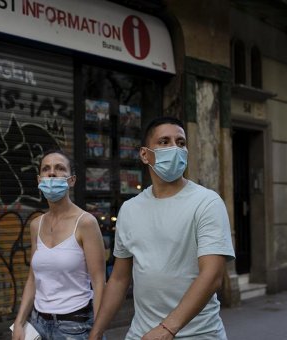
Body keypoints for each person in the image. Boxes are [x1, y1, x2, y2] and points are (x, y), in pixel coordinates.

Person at [88, 116, 235, 340]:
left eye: (181, 142)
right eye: (164, 142)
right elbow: (119, 279)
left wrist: (167, 328)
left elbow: (212, 274)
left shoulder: (207, 203)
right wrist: (96, 332)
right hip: (142, 334)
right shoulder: (130, 210)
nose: (175, 148)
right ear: (145, 154)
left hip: (199, 334)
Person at [12, 150, 106, 340]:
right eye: (46, 169)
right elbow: (33, 278)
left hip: (75, 327)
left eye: (59, 168)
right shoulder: (35, 225)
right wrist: (20, 322)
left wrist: (97, 332)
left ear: (71, 180)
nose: (52, 173)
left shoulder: (85, 222)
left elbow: (99, 282)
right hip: (38, 325)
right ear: (39, 180)